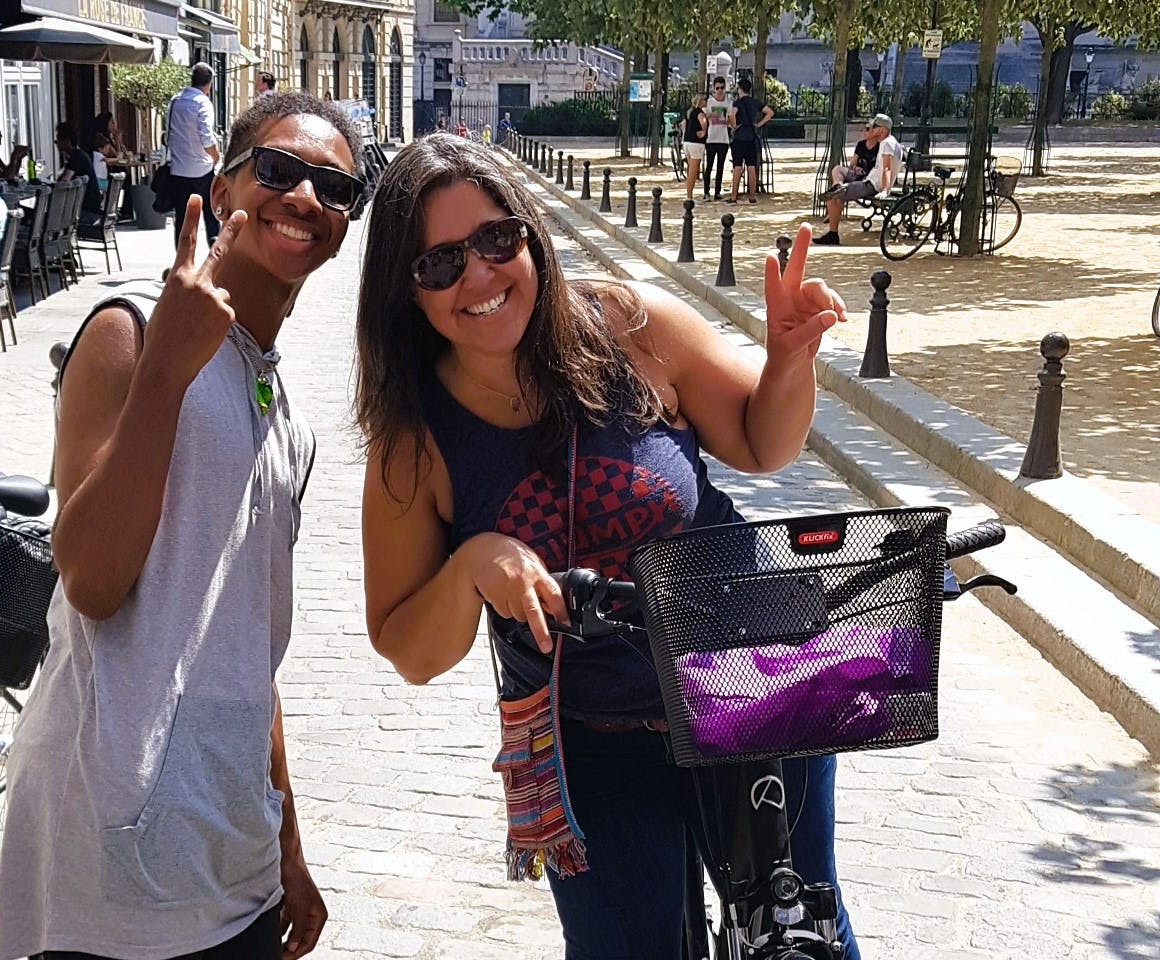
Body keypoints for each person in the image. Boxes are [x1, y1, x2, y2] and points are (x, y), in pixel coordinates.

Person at [353, 135, 861, 960]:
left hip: (749, 681)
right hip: (593, 741)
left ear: (530, 235)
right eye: (439, 264)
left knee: (801, 941)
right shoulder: (415, 441)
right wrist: (472, 562)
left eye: (494, 240)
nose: (479, 276)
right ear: (404, 294)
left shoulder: (629, 326)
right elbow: (410, 647)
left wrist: (791, 361)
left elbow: (763, 442)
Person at [0, 90, 366, 960]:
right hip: (109, 872)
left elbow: (247, 649)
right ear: (224, 188)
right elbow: (89, 578)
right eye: (278, 170)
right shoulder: (127, 332)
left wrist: (288, 842)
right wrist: (165, 368)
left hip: (232, 867)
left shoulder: (286, 413)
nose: (306, 198)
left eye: (334, 188)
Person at [816, 113, 903, 246]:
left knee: (834, 196)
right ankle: (838, 188)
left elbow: (887, 169)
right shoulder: (890, 143)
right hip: (869, 180)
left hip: (872, 185)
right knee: (836, 187)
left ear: (883, 130)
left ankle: (833, 234)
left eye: (874, 126)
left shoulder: (886, 144)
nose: (871, 129)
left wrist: (885, 190)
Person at [166, 62, 223, 246]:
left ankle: (181, 263)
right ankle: (215, 263)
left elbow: (168, 135)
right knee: (210, 217)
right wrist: (217, 158)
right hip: (202, 170)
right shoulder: (203, 103)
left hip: (178, 170)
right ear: (209, 84)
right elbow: (207, 139)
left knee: (182, 220)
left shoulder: (175, 101)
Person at [728, 77, 773, 204]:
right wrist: (759, 124)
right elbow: (770, 113)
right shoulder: (755, 102)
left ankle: (733, 196)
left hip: (739, 136)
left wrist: (734, 125)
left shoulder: (737, 103)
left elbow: (732, 115)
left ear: (740, 89)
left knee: (737, 166)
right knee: (751, 166)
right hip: (751, 135)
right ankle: (752, 196)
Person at [56, 122, 103, 225]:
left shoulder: (76, 158)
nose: (57, 145)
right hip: (92, 208)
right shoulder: (80, 155)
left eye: (57, 141)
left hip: (86, 212)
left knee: (52, 216)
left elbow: (64, 182)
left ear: (67, 141)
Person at [702, 76, 731, 201]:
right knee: (709, 166)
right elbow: (704, 116)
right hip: (711, 139)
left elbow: (730, 119)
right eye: (717, 88)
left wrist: (727, 122)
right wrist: (710, 115)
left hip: (723, 139)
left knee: (720, 167)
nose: (719, 90)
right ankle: (706, 191)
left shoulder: (729, 102)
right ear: (714, 89)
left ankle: (717, 192)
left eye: (722, 88)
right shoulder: (710, 102)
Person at [680, 93, 709, 201]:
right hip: (696, 143)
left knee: (690, 170)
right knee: (693, 171)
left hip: (687, 141)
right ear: (701, 101)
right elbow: (703, 122)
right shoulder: (700, 113)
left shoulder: (689, 112)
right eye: (705, 99)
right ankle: (689, 196)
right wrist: (704, 131)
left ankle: (689, 193)